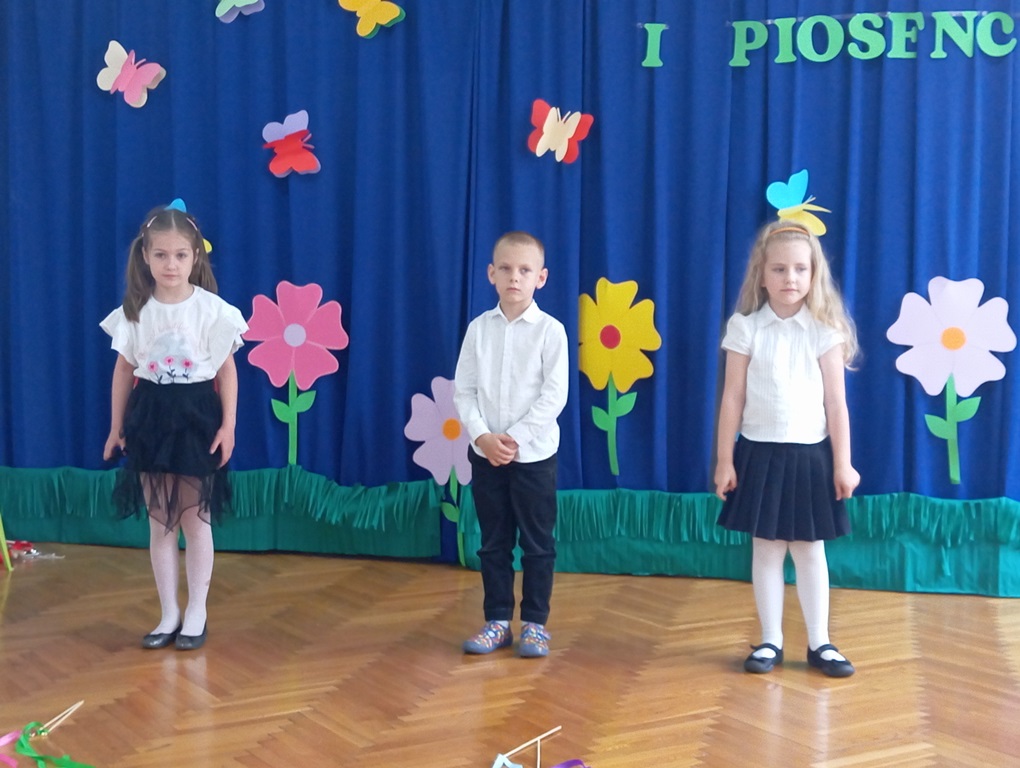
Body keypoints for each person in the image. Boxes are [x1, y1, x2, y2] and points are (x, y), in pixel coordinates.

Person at [714, 219, 860, 677]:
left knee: (810, 550)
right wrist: (724, 460)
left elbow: (835, 403)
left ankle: (820, 642)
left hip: (810, 457)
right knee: (766, 549)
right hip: (759, 454)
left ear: (814, 275)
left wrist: (843, 463)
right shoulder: (745, 328)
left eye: (800, 269)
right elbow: (732, 397)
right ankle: (770, 640)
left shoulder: (823, 330)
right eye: (779, 269)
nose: (790, 278)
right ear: (762, 275)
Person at [101, 206, 248, 651]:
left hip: (196, 418)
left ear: (195, 257)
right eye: (161, 255)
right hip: (151, 418)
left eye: (181, 255)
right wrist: (115, 426)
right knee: (160, 523)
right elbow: (123, 370)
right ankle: (168, 613)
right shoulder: (135, 311)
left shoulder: (213, 311)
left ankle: (197, 612)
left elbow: (226, 371)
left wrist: (228, 426)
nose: (171, 265)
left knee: (195, 521)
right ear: (145, 256)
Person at [454, 231, 569, 658]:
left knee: (538, 544)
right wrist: (483, 437)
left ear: (541, 277)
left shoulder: (551, 332)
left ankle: (535, 625)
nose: (514, 278)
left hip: (534, 457)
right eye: (505, 269)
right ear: (491, 274)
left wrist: (515, 439)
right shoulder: (478, 330)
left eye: (524, 270)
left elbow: (554, 396)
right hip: (486, 457)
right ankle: (497, 621)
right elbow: (464, 391)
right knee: (494, 541)